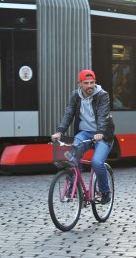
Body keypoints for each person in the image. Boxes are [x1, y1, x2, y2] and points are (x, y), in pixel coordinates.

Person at [51, 70, 115, 204]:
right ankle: (74, 187)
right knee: (72, 155)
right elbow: (68, 115)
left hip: (102, 135)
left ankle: (105, 191)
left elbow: (103, 116)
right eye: (86, 83)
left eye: (92, 82)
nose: (89, 86)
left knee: (97, 162)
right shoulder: (75, 96)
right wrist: (60, 132)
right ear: (79, 83)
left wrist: (101, 132)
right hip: (85, 133)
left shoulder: (103, 95)